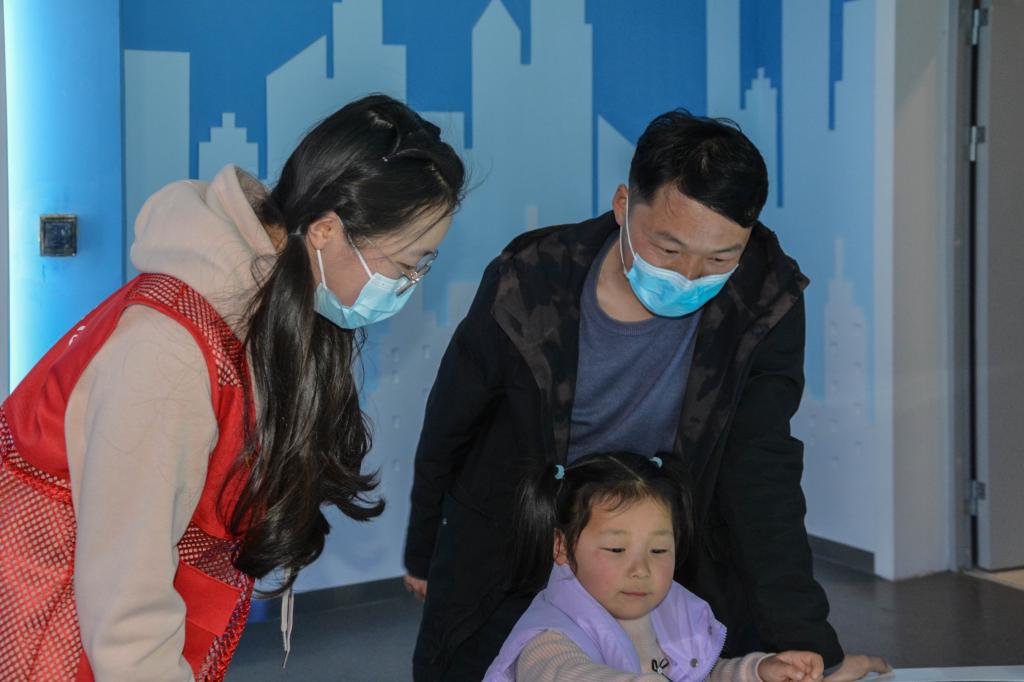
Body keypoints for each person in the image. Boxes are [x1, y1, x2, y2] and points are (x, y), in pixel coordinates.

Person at [403, 110, 888, 681]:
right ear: (623, 206)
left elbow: (762, 475)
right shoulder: (531, 278)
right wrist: (423, 547)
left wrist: (814, 649)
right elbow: (452, 420)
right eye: (668, 249)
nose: (690, 275)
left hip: (654, 560)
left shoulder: (764, 301)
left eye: (720, 258)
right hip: (514, 539)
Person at [0, 94, 465, 681]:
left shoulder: (271, 316)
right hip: (53, 637)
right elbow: (125, 606)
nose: (411, 284)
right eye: (407, 263)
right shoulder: (168, 352)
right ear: (326, 230)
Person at [485, 451, 834, 682]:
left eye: (658, 549)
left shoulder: (670, 611)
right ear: (561, 546)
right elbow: (564, 674)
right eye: (616, 549)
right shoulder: (550, 635)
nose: (641, 569)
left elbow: (697, 674)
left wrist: (756, 670)